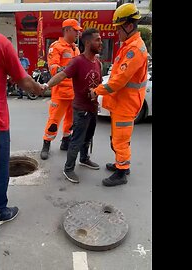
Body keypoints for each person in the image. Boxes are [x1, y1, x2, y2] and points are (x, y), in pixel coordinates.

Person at [89, 3, 148, 187]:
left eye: (118, 28)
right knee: (117, 137)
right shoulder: (129, 45)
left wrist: (96, 91)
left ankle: (122, 172)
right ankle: (120, 164)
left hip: (127, 103)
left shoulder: (134, 50)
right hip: (122, 101)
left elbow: (118, 81)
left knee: (121, 139)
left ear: (129, 26)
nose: (117, 32)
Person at [42, 28, 103, 183]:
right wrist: (46, 86)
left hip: (93, 107)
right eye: (98, 40)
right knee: (76, 139)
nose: (101, 42)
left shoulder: (98, 63)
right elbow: (61, 75)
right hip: (80, 107)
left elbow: (99, 84)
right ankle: (68, 169)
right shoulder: (77, 61)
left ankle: (84, 158)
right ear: (88, 42)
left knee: (88, 137)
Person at [0, 34, 44, 225]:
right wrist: (38, 88)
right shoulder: (2, 43)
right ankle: (0, 210)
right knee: (1, 167)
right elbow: (24, 81)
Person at [39, 19, 82, 160]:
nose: (78, 33)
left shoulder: (75, 48)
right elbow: (53, 69)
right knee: (53, 121)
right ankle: (46, 144)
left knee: (70, 122)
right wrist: (68, 69)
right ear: (68, 30)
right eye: (75, 30)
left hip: (74, 93)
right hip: (61, 93)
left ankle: (65, 142)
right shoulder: (56, 47)